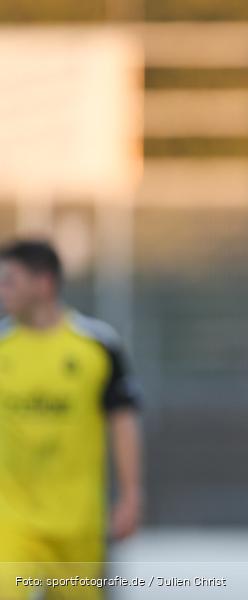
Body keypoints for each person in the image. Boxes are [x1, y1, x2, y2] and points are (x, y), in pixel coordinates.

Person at [0, 240, 142, 599]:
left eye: (9, 281)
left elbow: (123, 422)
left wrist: (130, 495)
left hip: (79, 524)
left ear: (44, 284)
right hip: (11, 521)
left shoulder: (97, 346)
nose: (2, 292)